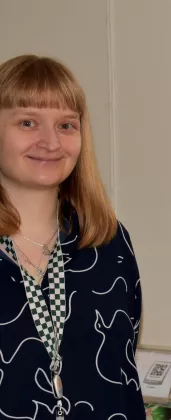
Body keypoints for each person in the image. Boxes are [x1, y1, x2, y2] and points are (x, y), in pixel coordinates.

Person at [0, 55, 144, 419]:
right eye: (28, 122)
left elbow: (124, 375)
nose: (50, 142)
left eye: (66, 125)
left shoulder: (109, 242)